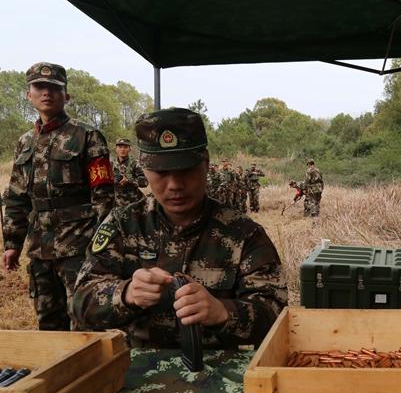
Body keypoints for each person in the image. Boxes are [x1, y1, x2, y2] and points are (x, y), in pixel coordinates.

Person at [72, 108, 288, 348]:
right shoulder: (123, 224)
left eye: (186, 171)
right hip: (141, 372)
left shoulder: (243, 234)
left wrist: (223, 312)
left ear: (205, 164)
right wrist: (126, 294)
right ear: (144, 169)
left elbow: (277, 313)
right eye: (162, 173)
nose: (175, 185)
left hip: (220, 374)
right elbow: (81, 300)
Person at [2, 62, 115, 331]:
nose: (47, 93)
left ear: (66, 95)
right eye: (39, 87)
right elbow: (17, 196)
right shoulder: (25, 142)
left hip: (78, 244)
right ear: (28, 94)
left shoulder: (87, 135)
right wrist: (12, 243)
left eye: (55, 88)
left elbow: (104, 196)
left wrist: (99, 247)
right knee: (48, 322)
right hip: (40, 247)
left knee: (84, 319)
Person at [113, 137, 148, 206]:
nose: (122, 149)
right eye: (120, 147)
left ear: (130, 149)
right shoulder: (111, 164)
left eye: (125, 147)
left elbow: (145, 182)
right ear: (116, 149)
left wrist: (129, 180)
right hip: (117, 204)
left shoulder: (135, 164)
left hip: (134, 204)